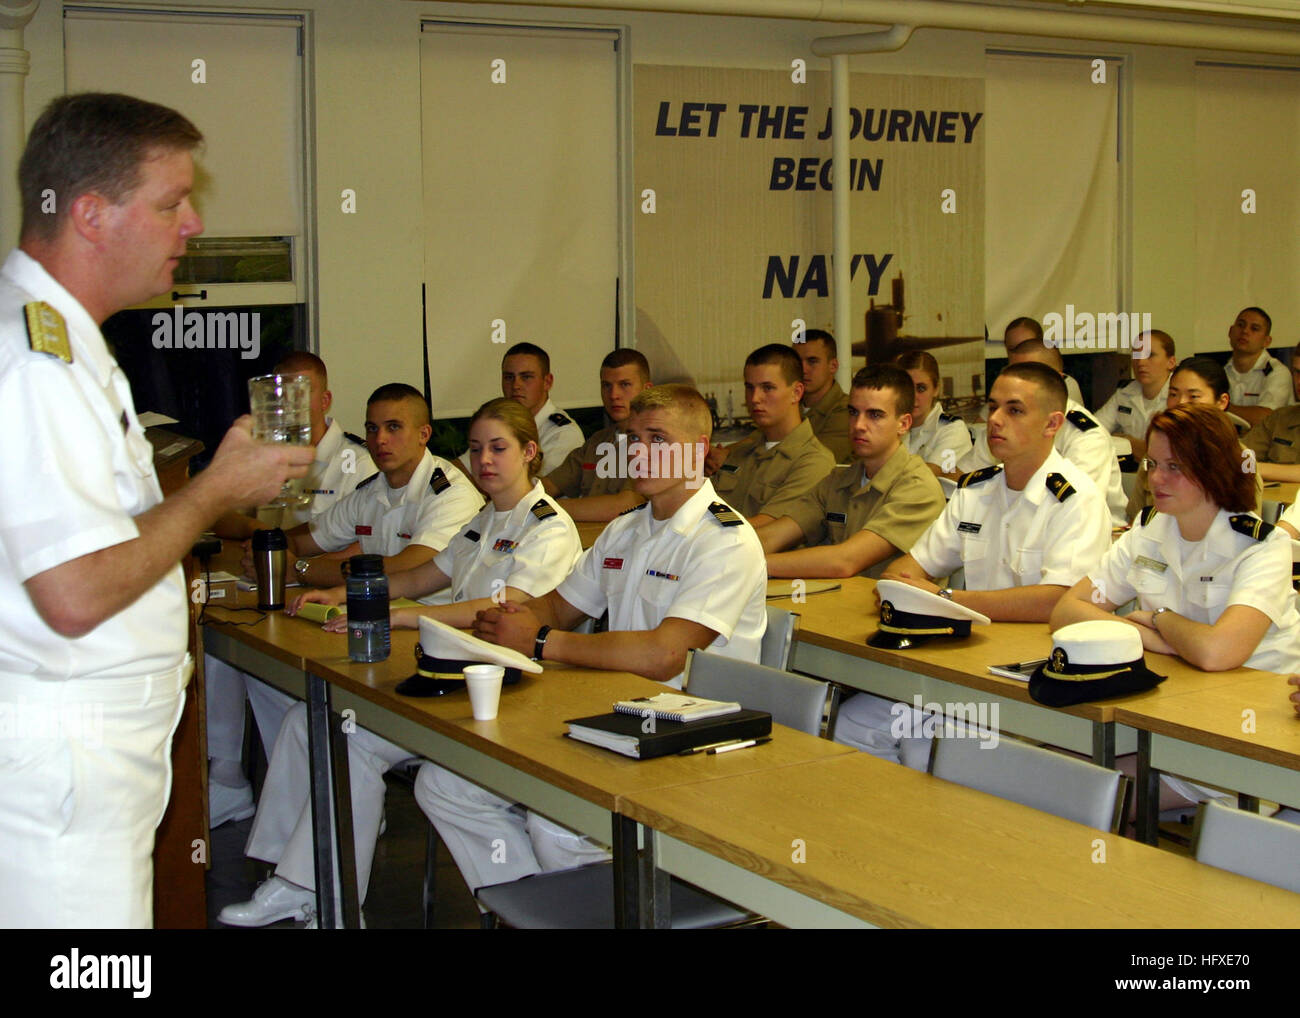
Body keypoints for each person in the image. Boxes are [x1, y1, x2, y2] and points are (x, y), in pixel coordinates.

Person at [0, 93, 313, 928]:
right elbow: (72, 592)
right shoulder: (35, 365)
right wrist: (214, 491)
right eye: (171, 204)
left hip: (91, 761)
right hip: (63, 769)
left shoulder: (66, 345)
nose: (193, 224)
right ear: (93, 215)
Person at [216, 398, 581, 926]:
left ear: (529, 452)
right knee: (311, 723)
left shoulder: (549, 526)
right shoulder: (483, 519)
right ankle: (305, 886)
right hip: (452, 680)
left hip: (507, 695)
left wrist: (404, 620)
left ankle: (319, 888)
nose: (485, 461)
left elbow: (501, 610)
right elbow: (419, 578)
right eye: (476, 449)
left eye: (499, 448)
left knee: (345, 735)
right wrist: (354, 593)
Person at [415, 384, 768, 895]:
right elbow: (558, 607)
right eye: (633, 438)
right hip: (620, 715)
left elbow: (662, 653)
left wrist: (538, 641)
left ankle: (574, 904)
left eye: (657, 438)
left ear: (699, 450)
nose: (639, 452)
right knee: (444, 785)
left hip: (695, 737)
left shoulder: (724, 539)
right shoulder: (626, 529)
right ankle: (542, 907)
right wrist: (509, 618)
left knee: (555, 823)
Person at [836, 363, 1111, 766]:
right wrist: (905, 588)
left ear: (1052, 423)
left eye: (1014, 410)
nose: (994, 420)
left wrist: (947, 598)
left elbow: (1057, 601)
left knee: (923, 748)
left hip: (1033, 678)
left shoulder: (1076, 500)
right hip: (962, 663)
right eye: (993, 406)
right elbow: (906, 571)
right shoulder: (976, 490)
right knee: (850, 725)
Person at [1052, 404, 1300, 818]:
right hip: (1171, 708)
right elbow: (1067, 609)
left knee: (1075, 794)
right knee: (1052, 765)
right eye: (1152, 463)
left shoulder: (1261, 545)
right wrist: (1151, 640)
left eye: (1175, 466)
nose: (1154, 478)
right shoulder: (1149, 530)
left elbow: (1218, 653)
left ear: (1214, 469)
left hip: (1245, 733)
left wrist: (1157, 619)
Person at [205, 352, 374, 828]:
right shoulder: (266, 449)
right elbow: (222, 513)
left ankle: (330, 794)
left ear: (324, 400)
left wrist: (284, 555)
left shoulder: (354, 461)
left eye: (298, 395)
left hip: (320, 592)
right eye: (278, 396)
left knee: (264, 663)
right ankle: (228, 776)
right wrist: (264, 539)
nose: (288, 408)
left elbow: (359, 546)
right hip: (270, 581)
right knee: (219, 636)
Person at [270, 383, 482, 589]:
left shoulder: (452, 494)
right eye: (372, 428)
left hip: (433, 618)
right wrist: (270, 551)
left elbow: (405, 569)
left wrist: (301, 569)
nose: (380, 439)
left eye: (393, 427)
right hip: (383, 611)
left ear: (423, 434)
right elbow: (302, 541)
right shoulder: (371, 490)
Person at [756, 366, 945, 579]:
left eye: (875, 415)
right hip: (839, 603)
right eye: (853, 412)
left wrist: (751, 565)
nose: (859, 425)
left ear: (903, 424)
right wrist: (727, 552)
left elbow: (844, 561)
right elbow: (773, 537)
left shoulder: (918, 489)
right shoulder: (839, 480)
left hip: (889, 609)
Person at [959, 339, 1126, 525]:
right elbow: (963, 474)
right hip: (1008, 524)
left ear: (1058, 379)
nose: (1017, 382)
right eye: (1014, 372)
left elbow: (1074, 508)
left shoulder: (1087, 436)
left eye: (1031, 374)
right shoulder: (999, 425)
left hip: (1088, 534)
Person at [708, 344, 835, 525]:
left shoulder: (813, 462)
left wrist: (705, 532)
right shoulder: (740, 453)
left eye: (767, 388)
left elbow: (767, 525)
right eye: (750, 387)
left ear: (796, 392)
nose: (754, 398)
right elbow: (708, 507)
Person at [1127, 357, 1260, 521]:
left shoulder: (1242, 457)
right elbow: (1135, 519)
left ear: (1221, 402)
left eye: (1194, 396)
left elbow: (1245, 528)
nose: (1181, 403)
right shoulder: (1156, 452)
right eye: (1173, 394)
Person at [542, 348, 649, 521]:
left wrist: (539, 507)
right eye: (606, 385)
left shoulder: (655, 446)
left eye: (624, 385)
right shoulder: (596, 442)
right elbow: (548, 486)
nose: (613, 395)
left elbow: (624, 505)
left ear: (646, 389)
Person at [461, 341, 583, 477]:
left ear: (547, 382)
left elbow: (533, 488)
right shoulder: (500, 424)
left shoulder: (563, 435)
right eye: (509, 377)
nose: (515, 385)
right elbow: (462, 469)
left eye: (526, 377)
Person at [1093, 329, 1177, 460]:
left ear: (1171, 362)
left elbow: (1178, 452)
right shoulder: (1124, 393)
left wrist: (1130, 442)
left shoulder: (1180, 395)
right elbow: (1093, 430)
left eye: (1150, 355)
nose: (1141, 362)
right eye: (1136, 356)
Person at [894, 349, 972, 474]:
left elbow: (926, 478)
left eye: (921, 388)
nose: (913, 396)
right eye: (906, 387)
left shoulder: (953, 430)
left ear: (936, 389)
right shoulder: (891, 427)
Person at [1224, 306, 1291, 428]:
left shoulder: (1277, 372)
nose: (1245, 331)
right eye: (1240, 325)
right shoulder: (1220, 371)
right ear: (1230, 332)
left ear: (1267, 341)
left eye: (1254, 329)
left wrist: (1223, 406)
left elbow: (1266, 418)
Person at [1241, 346, 1300, 483]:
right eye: (1297, 372)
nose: (1299, 381)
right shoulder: (1280, 418)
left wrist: (1253, 468)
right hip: (1270, 502)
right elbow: (1240, 454)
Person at [794, 329, 851, 462]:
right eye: (797, 362)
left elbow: (813, 461)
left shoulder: (847, 412)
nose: (803, 369)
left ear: (833, 366)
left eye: (812, 361)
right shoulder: (787, 407)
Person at [1004, 316, 1083, 405]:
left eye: (1029, 345)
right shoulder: (1003, 383)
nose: (1021, 351)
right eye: (1012, 348)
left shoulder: (1065, 384)